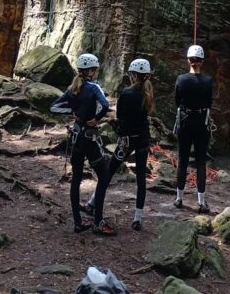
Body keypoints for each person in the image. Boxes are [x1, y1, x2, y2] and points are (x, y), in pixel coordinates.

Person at [82, 56, 154, 231]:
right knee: (141, 179)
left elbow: (121, 119)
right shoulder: (147, 93)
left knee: (108, 173)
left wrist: (110, 120)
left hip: (126, 141)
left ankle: (92, 205)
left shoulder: (127, 94)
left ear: (133, 75)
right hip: (143, 139)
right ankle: (137, 218)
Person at [52, 53, 115, 235]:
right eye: (94, 70)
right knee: (103, 176)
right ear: (91, 71)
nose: (95, 72)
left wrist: (74, 112)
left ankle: (78, 223)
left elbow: (54, 107)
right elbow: (104, 106)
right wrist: (95, 119)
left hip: (76, 137)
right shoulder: (94, 88)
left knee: (76, 179)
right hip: (89, 138)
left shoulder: (72, 88)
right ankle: (98, 221)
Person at [174, 44, 213, 214]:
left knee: (182, 160)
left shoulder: (181, 79)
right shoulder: (208, 81)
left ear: (188, 60)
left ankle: (179, 198)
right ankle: (201, 202)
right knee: (200, 162)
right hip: (202, 123)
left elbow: (177, 101)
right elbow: (210, 102)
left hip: (185, 122)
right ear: (202, 61)